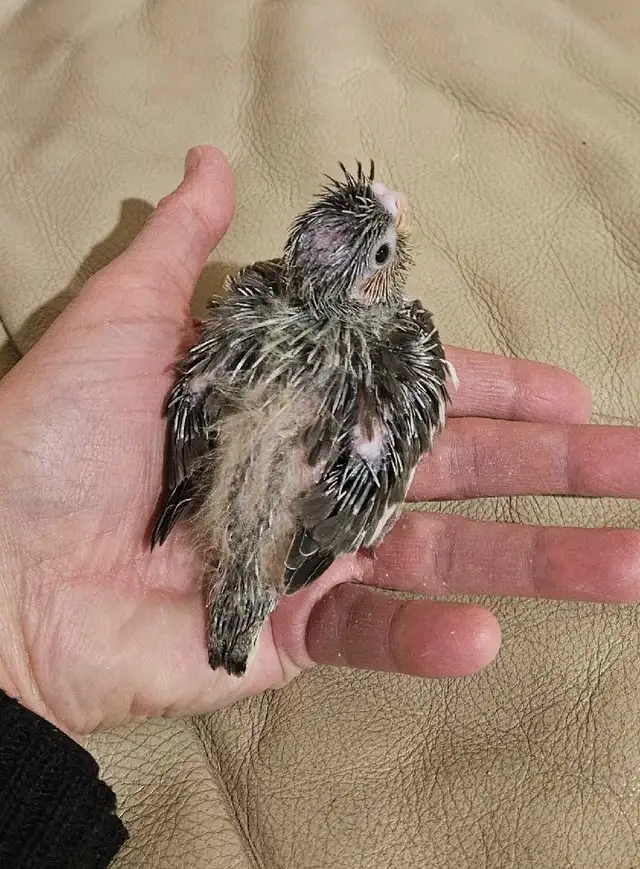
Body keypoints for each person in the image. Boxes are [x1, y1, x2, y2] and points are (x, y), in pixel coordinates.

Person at [0, 146, 637, 867]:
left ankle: (241, 599)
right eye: (389, 248)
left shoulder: (251, 301)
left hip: (238, 505)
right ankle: (240, 607)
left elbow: (203, 405)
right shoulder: (408, 351)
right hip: (277, 527)